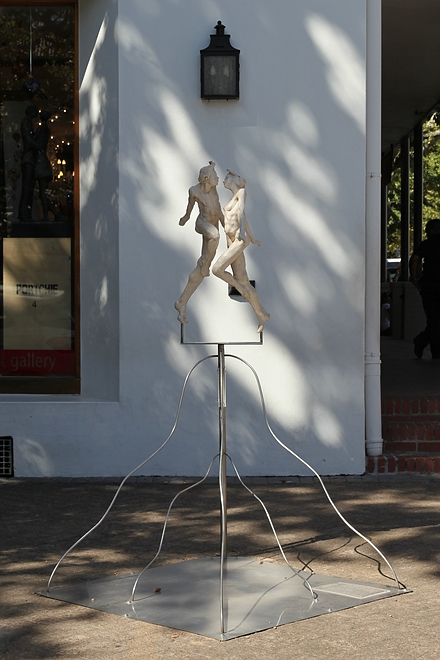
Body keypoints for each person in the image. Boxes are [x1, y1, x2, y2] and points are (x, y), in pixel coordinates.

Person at [212, 169, 270, 332]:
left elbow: (242, 215)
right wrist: (253, 237)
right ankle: (262, 314)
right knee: (243, 278)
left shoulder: (241, 193)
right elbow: (242, 217)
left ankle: (240, 288)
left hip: (238, 239)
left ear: (233, 180)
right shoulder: (233, 198)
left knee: (217, 269)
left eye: (226, 178)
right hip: (231, 239)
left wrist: (244, 234)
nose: (224, 180)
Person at [175, 162, 224, 323]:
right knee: (215, 236)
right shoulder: (194, 191)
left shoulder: (214, 189)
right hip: (203, 224)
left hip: (214, 224)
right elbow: (189, 208)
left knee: (202, 269)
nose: (218, 178)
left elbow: (218, 209)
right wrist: (185, 218)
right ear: (206, 179)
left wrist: (227, 227)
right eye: (215, 176)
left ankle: (181, 303)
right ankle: (204, 264)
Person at [409, 218, 440, 358]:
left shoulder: (427, 244)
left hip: (429, 286)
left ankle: (424, 343)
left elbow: (415, 259)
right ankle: (429, 345)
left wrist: (415, 278)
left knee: (433, 318)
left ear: (432, 231)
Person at [34, 110, 60, 222]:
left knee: (42, 194)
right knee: (42, 194)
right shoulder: (45, 129)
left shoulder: (42, 129)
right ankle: (52, 213)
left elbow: (36, 143)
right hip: (43, 164)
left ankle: (47, 216)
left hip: (42, 165)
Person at [18, 105, 39, 221]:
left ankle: (26, 214)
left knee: (29, 188)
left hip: (30, 159)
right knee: (27, 188)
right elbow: (28, 140)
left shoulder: (29, 123)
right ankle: (24, 214)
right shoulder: (25, 123)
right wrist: (38, 146)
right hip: (28, 159)